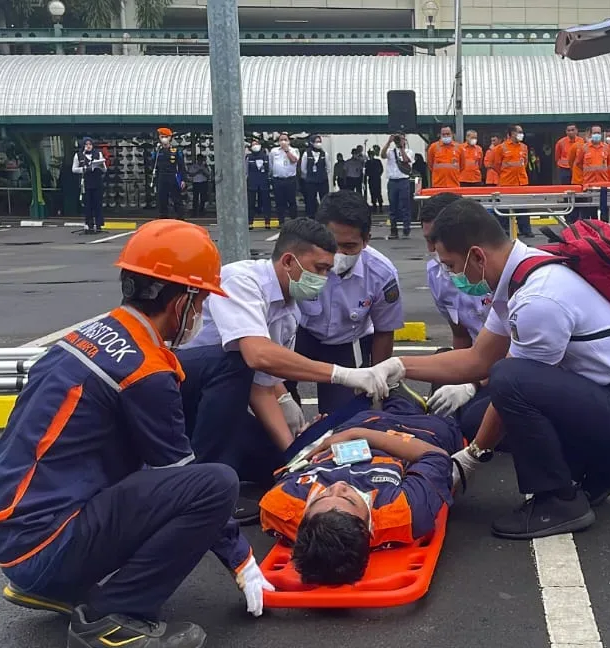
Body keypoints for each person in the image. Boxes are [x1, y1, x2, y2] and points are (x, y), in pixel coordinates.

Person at [0, 220, 271, 648]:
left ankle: (53, 586)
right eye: (203, 301)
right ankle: (111, 620)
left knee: (217, 363)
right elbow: (180, 477)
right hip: (44, 548)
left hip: (18, 530)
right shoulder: (145, 373)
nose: (202, 313)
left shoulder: (86, 338)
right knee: (214, 484)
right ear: (182, 302)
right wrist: (241, 557)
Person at [370, 200, 610, 539]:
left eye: (451, 266)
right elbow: (477, 359)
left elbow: (514, 384)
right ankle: (608, 465)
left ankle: (558, 501)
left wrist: (471, 458)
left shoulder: (539, 298)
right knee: (477, 414)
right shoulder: (520, 276)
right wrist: (396, 367)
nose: (451, 276)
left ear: (477, 256)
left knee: (509, 379)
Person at [176, 218, 393, 515]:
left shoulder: (288, 311)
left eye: (327, 270)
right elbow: (256, 357)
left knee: (273, 462)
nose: (324, 278)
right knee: (237, 362)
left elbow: (262, 386)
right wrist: (343, 374)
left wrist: (293, 455)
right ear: (289, 261)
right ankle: (204, 493)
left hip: (216, 400)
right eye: (319, 269)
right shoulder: (241, 280)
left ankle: (209, 470)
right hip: (178, 389)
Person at [259, 394, 464, 585]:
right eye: (349, 498)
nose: (337, 486)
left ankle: (397, 394)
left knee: (388, 395)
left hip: (359, 421)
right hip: (420, 432)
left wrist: (323, 434)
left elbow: (296, 464)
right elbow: (436, 457)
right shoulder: (403, 510)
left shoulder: (282, 506)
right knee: (446, 403)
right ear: (369, 528)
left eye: (320, 497)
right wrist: (358, 435)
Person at [291, 191, 404, 416]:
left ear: (366, 240)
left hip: (346, 343)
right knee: (279, 405)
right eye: (332, 244)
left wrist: (377, 378)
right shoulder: (296, 261)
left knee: (343, 418)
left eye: (350, 246)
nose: (339, 254)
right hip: (298, 336)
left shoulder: (382, 273)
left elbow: (384, 331)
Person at [419, 192, 493, 422]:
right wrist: (457, 376)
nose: (432, 248)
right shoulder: (436, 275)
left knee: (472, 420)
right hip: (477, 361)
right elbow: (460, 333)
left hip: (507, 367)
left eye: (436, 239)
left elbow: (516, 354)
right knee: (440, 368)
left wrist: (471, 385)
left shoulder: (496, 271)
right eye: (427, 240)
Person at [490, 125, 533, 238]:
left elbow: (525, 163)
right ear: (512, 133)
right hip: (506, 183)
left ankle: (526, 230)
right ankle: (505, 230)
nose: (521, 134)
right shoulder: (501, 148)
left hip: (521, 182)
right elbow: (495, 165)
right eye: (519, 132)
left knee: (523, 207)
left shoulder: (524, 147)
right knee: (504, 208)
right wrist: (505, 174)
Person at [70, 136, 106, 234]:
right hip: (85, 183)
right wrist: (84, 169)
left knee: (98, 204)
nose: (88, 146)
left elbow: (105, 169)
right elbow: (74, 169)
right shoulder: (78, 155)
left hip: (97, 182)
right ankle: (89, 225)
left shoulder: (98, 154)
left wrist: (101, 166)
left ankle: (99, 225)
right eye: (86, 144)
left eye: (90, 144)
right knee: (88, 205)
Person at [574, 126, 610, 220]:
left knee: (604, 209)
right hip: (588, 184)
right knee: (588, 209)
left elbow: (609, 163)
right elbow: (578, 163)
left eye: (598, 133)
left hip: (603, 183)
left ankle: (604, 228)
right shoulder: (584, 148)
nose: (597, 135)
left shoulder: (606, 148)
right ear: (590, 134)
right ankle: (589, 229)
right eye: (595, 133)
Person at [384, 134, 413, 239]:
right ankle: (393, 229)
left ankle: (406, 228)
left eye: (400, 138)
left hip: (403, 180)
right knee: (393, 206)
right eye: (397, 139)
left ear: (404, 140)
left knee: (405, 205)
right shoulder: (391, 151)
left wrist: (401, 148)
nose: (398, 140)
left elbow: (406, 160)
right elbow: (382, 155)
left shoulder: (409, 151)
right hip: (392, 181)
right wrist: (388, 142)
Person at [153, 128, 186, 220]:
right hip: (161, 177)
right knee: (162, 199)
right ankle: (163, 218)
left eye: (166, 137)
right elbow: (154, 165)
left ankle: (180, 218)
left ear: (170, 138)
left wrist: (183, 179)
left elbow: (181, 166)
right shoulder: (157, 151)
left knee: (177, 199)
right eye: (162, 137)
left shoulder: (176, 151)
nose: (164, 139)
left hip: (173, 176)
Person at [269, 132, 299, 225]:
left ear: (289, 141)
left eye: (285, 140)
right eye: (281, 140)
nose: (283, 142)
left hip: (290, 179)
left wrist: (287, 151)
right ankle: (281, 221)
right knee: (279, 202)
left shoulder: (294, 150)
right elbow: (271, 164)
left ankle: (294, 221)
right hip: (278, 180)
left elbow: (294, 160)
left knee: (291, 201)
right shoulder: (274, 151)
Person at [298, 134, 329, 219]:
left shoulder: (324, 153)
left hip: (322, 180)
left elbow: (328, 167)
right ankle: (310, 216)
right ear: (311, 143)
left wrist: (321, 174)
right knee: (310, 199)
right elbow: (303, 169)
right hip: (310, 181)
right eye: (316, 142)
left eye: (319, 141)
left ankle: (324, 216)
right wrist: (310, 176)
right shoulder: (306, 154)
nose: (318, 143)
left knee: (324, 199)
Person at [426, 125, 463, 190]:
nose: (445, 136)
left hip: (454, 184)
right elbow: (430, 165)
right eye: (443, 134)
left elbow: (463, 166)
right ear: (440, 135)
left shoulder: (459, 148)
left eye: (448, 134)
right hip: (438, 185)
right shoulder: (433, 147)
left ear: (452, 134)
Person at [246, 139, 271, 229]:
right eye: (253, 144)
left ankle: (267, 222)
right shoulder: (249, 157)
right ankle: (250, 223)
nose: (255, 146)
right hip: (252, 183)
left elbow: (270, 169)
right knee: (251, 203)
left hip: (264, 182)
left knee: (266, 203)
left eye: (257, 144)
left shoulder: (265, 157)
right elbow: (246, 171)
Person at [365, 145, 385, 213]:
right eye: (370, 155)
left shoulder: (377, 161)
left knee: (378, 192)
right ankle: (374, 206)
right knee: (372, 193)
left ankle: (380, 206)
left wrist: (378, 174)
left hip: (377, 178)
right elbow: (366, 171)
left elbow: (381, 169)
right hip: (371, 179)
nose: (371, 156)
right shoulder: (367, 162)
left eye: (372, 155)